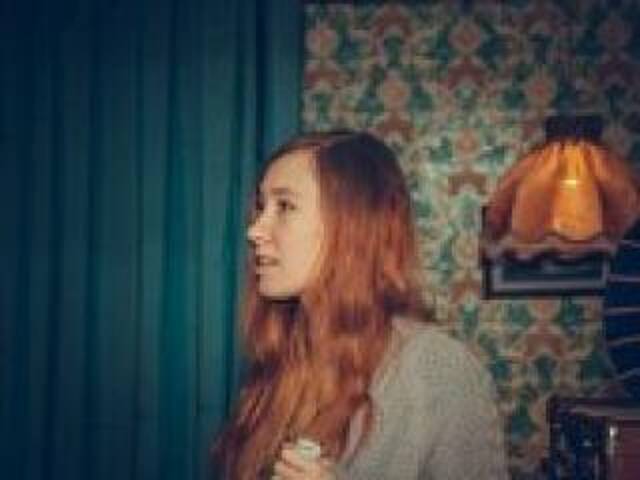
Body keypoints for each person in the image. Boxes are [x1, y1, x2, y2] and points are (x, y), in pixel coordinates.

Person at [213, 131, 508, 479]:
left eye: (285, 206)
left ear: (353, 223)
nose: (255, 230)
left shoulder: (438, 368)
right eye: (262, 207)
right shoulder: (284, 359)